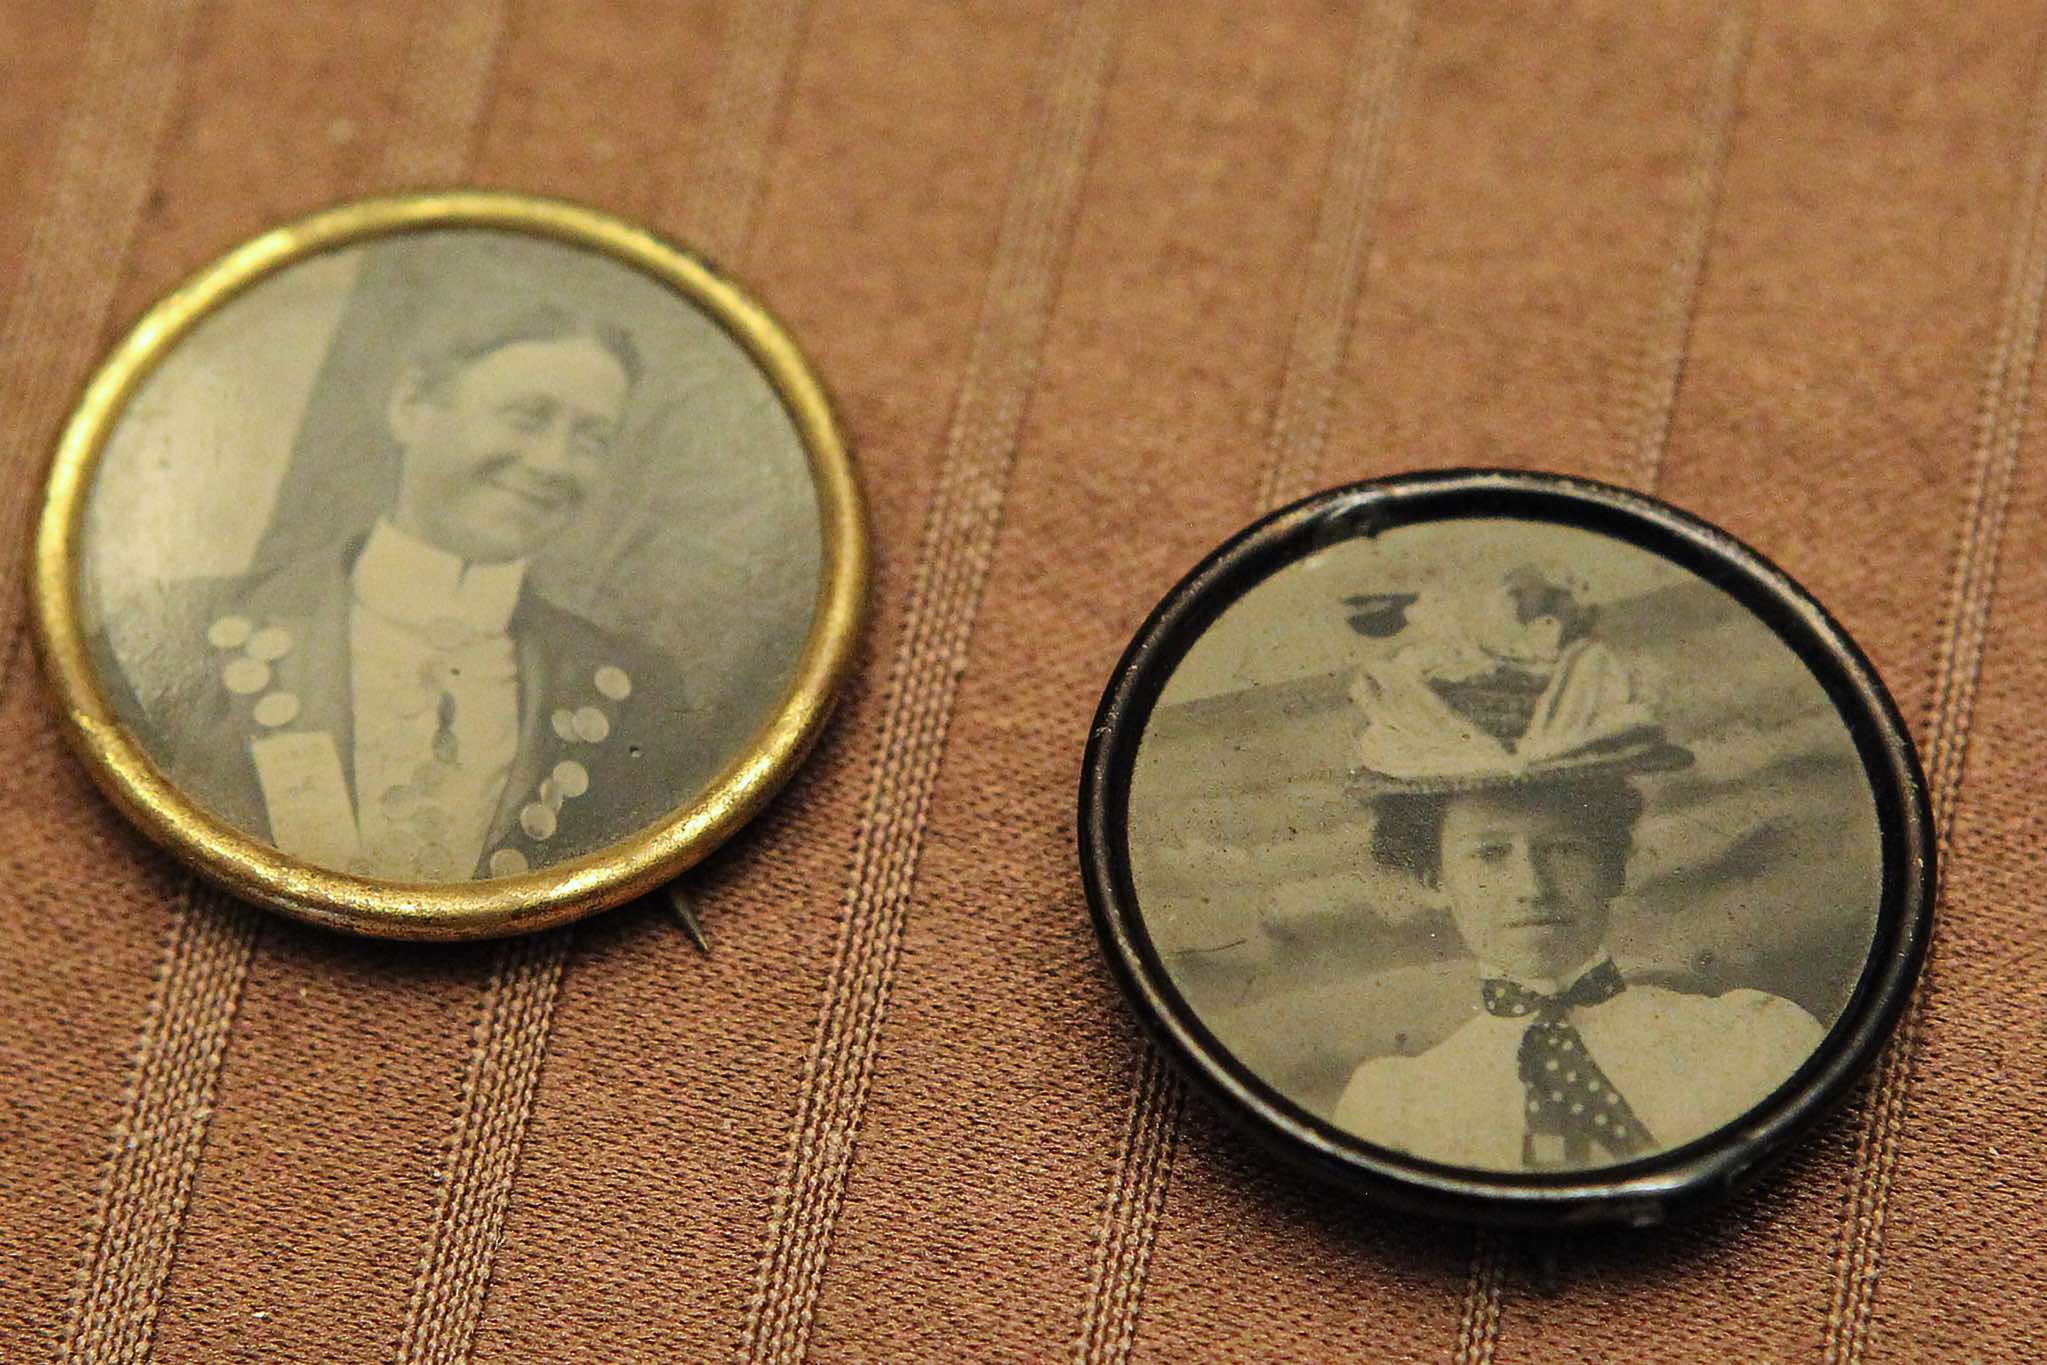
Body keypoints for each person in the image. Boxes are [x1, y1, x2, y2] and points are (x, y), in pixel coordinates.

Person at [113, 302, 692, 881]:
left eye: (591, 440)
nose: (552, 462)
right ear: (412, 406)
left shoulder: (636, 697)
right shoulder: (191, 629)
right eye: (526, 418)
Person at [1329, 571, 1823, 1172]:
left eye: (1564, 850)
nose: (1530, 887)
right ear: (1435, 877)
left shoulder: (1749, 1044)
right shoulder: (1398, 1109)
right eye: (1489, 855)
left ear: (1613, 866)